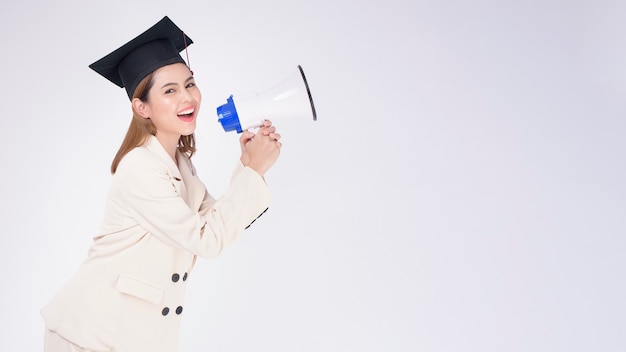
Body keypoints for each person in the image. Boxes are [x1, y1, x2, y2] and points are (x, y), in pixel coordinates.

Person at [40, 16, 281, 352]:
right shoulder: (139, 167)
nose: (188, 97)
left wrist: (247, 165)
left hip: (131, 336)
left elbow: (217, 221)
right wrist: (254, 171)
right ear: (141, 106)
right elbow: (207, 240)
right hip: (90, 335)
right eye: (170, 90)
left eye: (190, 84)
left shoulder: (180, 164)